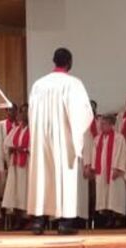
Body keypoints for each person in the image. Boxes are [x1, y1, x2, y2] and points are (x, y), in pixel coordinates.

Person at [27, 47, 93, 235]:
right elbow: (83, 113)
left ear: (54, 61)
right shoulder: (73, 84)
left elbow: (31, 113)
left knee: (42, 177)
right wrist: (76, 137)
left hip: (42, 138)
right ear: (69, 63)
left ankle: (39, 222)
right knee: (65, 178)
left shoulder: (39, 84)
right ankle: (64, 223)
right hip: (64, 139)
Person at [92, 114, 126, 227]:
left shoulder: (119, 138)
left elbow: (123, 154)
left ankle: (117, 219)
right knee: (104, 196)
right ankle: (108, 218)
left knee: (115, 195)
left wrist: (118, 168)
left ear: (111, 125)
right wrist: (95, 169)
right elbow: (95, 155)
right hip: (102, 171)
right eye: (101, 124)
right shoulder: (97, 139)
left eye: (104, 124)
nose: (101, 126)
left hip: (115, 171)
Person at [2, 104, 30, 230]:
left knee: (26, 191)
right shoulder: (16, 129)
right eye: (20, 111)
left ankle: (29, 219)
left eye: (24, 112)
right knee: (16, 191)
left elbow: (35, 147)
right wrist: (12, 150)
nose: (21, 114)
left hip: (28, 165)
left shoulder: (33, 129)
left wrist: (24, 149)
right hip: (16, 164)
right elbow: (6, 144)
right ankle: (18, 219)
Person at [0, 103, 18, 198]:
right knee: (2, 184)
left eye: (12, 110)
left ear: (16, 112)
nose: (10, 112)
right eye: (8, 110)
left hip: (15, 158)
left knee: (15, 184)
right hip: (3, 158)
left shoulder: (19, 125)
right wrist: (1, 160)